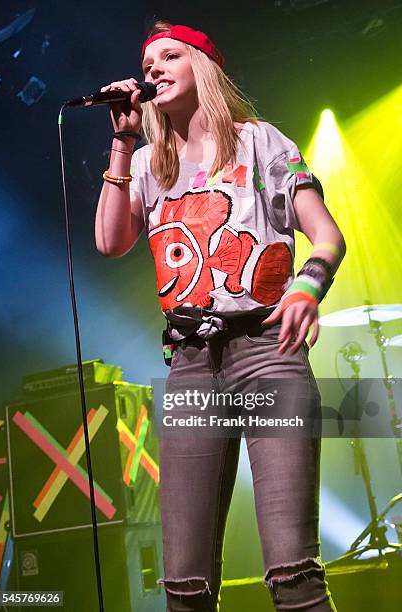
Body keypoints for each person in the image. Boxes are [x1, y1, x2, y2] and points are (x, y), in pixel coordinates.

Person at [96, 20, 345, 612]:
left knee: (292, 572)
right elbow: (110, 241)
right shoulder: (150, 164)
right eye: (147, 60)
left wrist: (307, 288)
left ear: (203, 66)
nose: (152, 68)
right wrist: (123, 145)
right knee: (183, 584)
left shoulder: (261, 141)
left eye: (169, 56)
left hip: (267, 353)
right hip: (190, 363)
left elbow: (327, 236)